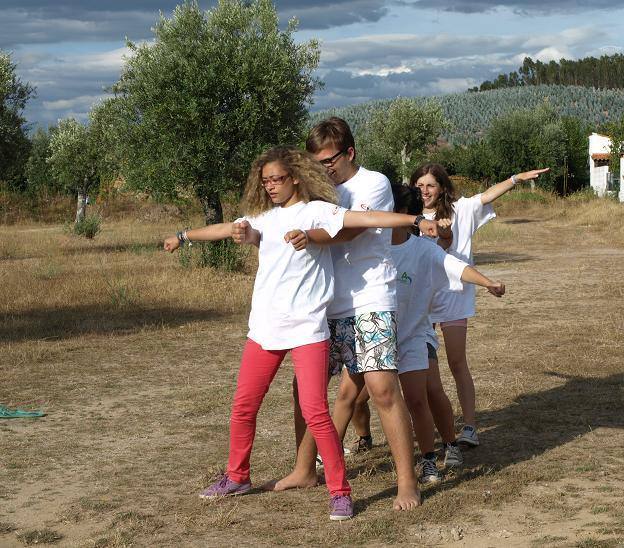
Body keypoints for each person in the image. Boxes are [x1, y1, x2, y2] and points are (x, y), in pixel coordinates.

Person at [163, 146, 442, 521]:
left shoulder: (317, 211)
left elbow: (365, 218)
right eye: (265, 181)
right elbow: (227, 228)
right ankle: (237, 476)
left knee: (315, 411)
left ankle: (339, 492)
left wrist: (414, 220)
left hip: (308, 328)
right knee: (244, 405)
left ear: (295, 177)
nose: (271, 186)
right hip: (264, 327)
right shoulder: (263, 217)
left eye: (277, 179)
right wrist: (183, 236)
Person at [242, 118, 425, 511]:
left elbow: (353, 229)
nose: (323, 168)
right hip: (322, 305)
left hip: (370, 298)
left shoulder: (372, 184)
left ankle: (407, 483)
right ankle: (304, 469)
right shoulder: (315, 191)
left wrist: (309, 235)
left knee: (381, 389)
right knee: (306, 390)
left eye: (329, 161)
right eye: (316, 162)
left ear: (350, 153)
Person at [349, 184, 507, 483]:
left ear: (402, 214)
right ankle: (329, 458)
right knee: (352, 398)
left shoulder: (422, 249)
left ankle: (433, 456)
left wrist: (488, 282)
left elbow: (455, 266)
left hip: (414, 336)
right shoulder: (369, 246)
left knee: (419, 399)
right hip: (376, 336)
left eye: (385, 209)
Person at [410, 163, 548, 447]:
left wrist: (515, 178)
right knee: (419, 366)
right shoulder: (408, 218)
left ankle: (469, 426)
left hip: (454, 296)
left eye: (431, 185)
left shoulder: (461, 210)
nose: (424, 191)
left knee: (456, 362)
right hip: (420, 299)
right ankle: (427, 426)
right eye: (419, 185)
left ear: (442, 188)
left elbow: (487, 196)